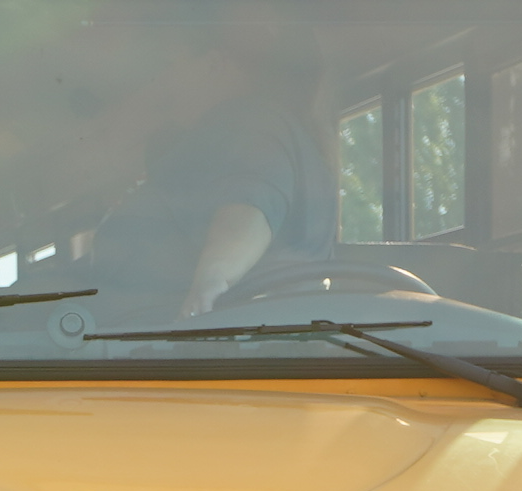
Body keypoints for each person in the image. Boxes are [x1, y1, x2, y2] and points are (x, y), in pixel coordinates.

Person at [87, 29, 336, 319]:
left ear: (213, 64)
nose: (160, 83)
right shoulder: (236, 134)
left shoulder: (252, 124)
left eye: (169, 65)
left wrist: (213, 281)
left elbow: (252, 205)